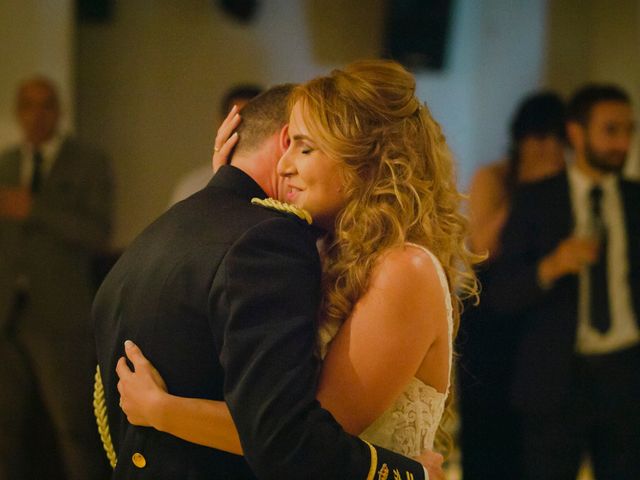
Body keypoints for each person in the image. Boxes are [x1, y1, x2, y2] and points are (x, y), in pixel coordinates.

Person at [115, 60, 477, 469]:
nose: (285, 165)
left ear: (364, 163)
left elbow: (306, 436)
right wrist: (229, 191)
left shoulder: (403, 269)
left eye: (305, 148)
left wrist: (163, 411)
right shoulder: (323, 253)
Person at [487, 84, 640, 480]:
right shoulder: (536, 199)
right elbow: (500, 293)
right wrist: (550, 267)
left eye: (629, 131)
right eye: (611, 130)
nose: (622, 143)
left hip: (627, 374)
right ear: (576, 133)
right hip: (556, 380)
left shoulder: (636, 199)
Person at [0, 76, 113, 479]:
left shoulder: (87, 162)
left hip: (62, 316)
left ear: (59, 110)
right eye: (28, 105)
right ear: (17, 112)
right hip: (8, 315)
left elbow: (100, 233)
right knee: (5, 429)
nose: (37, 114)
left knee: (74, 428)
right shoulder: (6, 164)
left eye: (46, 104)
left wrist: (36, 209)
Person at [458, 91, 566, 479]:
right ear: (521, 138)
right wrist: (524, 191)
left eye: (557, 139)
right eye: (539, 138)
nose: (548, 148)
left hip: (534, 318)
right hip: (487, 317)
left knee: (529, 441)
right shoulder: (494, 176)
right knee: (486, 432)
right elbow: (482, 248)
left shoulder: (563, 190)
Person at [168, 84, 263, 206]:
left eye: (254, 124)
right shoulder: (191, 188)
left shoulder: (283, 188)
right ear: (221, 125)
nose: (246, 132)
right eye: (238, 121)